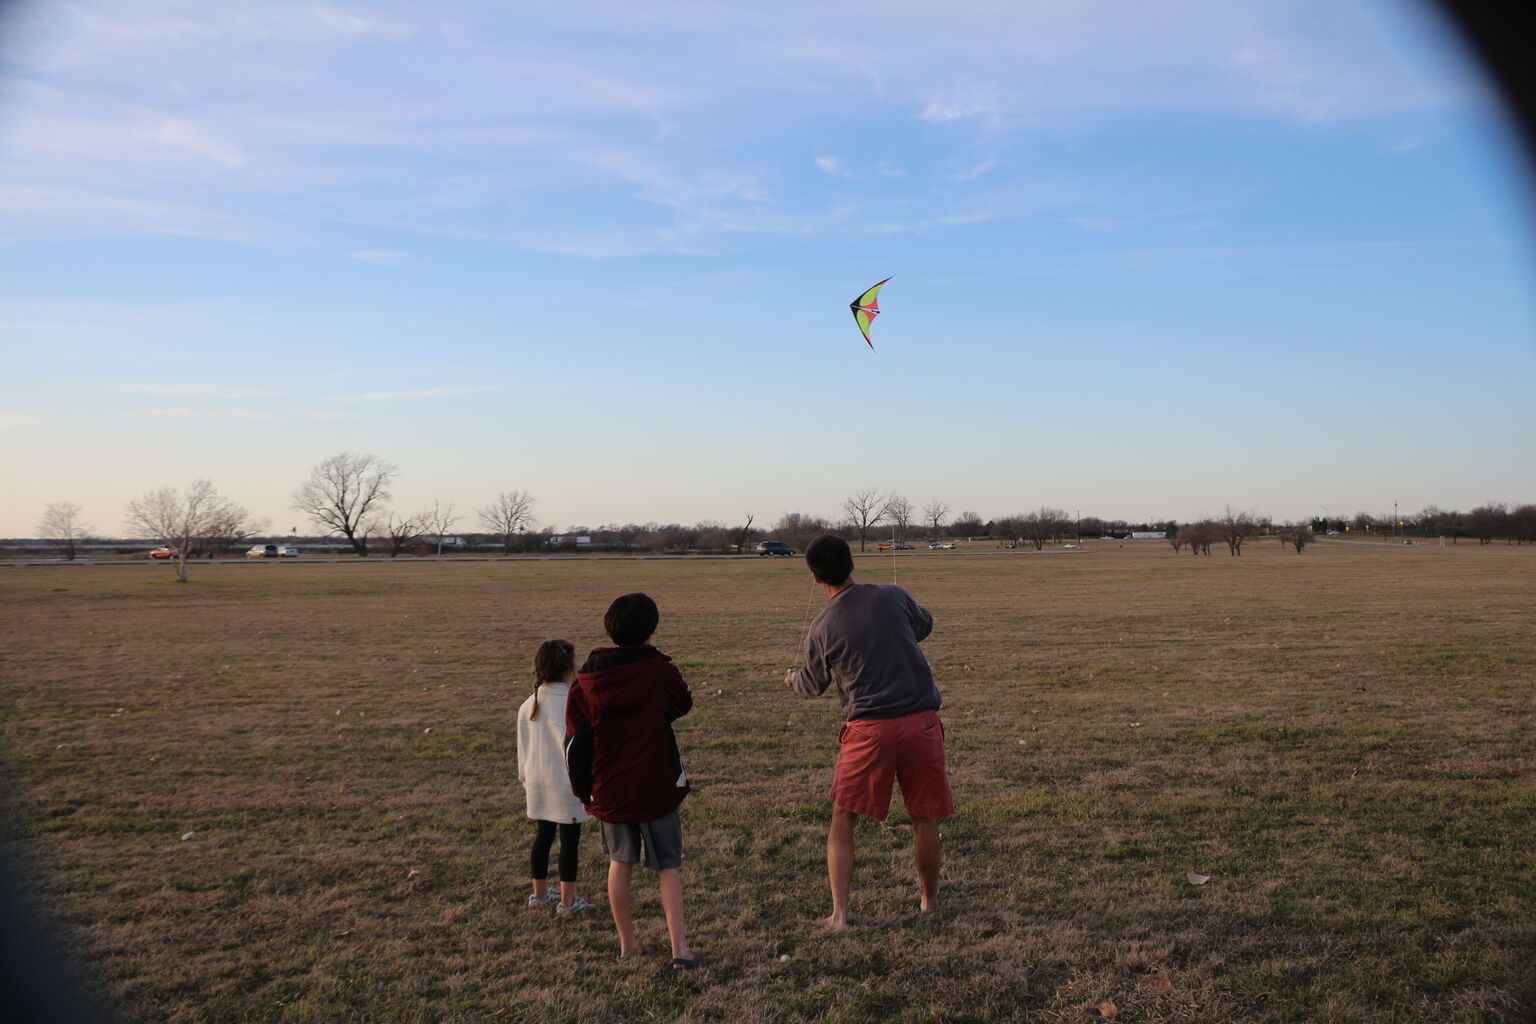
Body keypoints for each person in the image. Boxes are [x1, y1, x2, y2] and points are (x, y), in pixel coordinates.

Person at [784, 534, 954, 929]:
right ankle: (928, 903)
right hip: (921, 723)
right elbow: (923, 625)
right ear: (852, 564)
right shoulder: (894, 595)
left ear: (814, 578)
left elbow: (813, 684)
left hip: (867, 731)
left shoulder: (822, 626)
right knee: (924, 817)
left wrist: (792, 680)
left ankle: (840, 914)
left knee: (844, 817)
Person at [567, 593, 697, 968]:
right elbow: (684, 702)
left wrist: (582, 790)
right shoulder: (659, 669)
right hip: (656, 783)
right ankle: (680, 951)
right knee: (668, 867)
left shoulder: (585, 680)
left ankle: (628, 945)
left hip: (609, 787)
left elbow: (575, 743)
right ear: (651, 629)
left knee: (619, 864)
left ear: (610, 628)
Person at [516, 639, 594, 914]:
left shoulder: (529, 704)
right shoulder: (573, 703)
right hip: (567, 785)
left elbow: (522, 749)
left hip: (537, 782)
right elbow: (581, 748)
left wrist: (525, 779)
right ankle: (568, 902)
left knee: (543, 836)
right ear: (569, 669)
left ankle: (539, 894)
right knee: (569, 841)